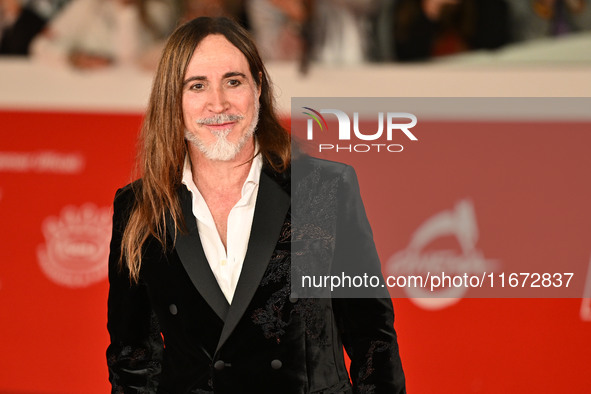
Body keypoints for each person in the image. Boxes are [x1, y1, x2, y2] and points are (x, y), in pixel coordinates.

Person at [106, 16, 406, 393]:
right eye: (197, 86)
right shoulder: (140, 206)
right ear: (173, 99)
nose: (219, 103)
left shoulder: (323, 189)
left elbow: (372, 341)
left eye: (233, 81)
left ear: (258, 87)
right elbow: (131, 360)